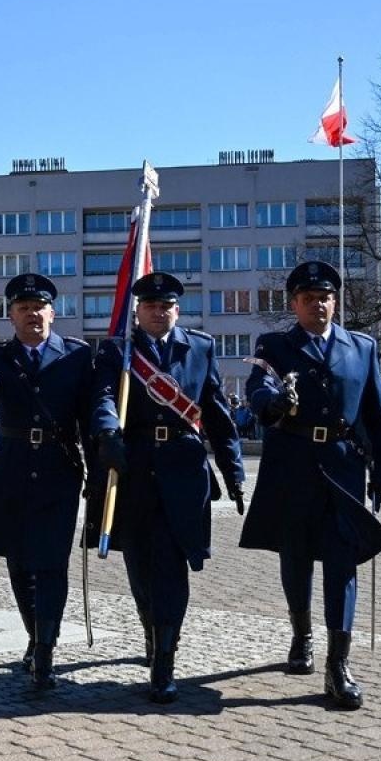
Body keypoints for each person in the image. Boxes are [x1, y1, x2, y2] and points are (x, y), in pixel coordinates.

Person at [242, 261, 381, 711]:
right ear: (294, 304)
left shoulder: (361, 347)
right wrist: (274, 403)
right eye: (308, 298)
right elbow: (259, 390)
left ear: (336, 301)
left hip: (344, 468)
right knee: (295, 558)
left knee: (342, 562)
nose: (318, 305)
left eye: (325, 297)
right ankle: (301, 635)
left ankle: (338, 665)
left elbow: (377, 412)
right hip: (293, 466)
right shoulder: (274, 345)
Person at [92, 272, 245, 704]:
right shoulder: (119, 352)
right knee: (140, 565)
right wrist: (107, 433)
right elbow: (103, 396)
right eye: (151, 306)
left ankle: (165, 660)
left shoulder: (199, 348)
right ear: (137, 311)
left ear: (177, 309)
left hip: (183, 470)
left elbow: (216, 414)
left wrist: (233, 472)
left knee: (173, 569)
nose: (159, 312)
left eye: (167, 306)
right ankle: (150, 624)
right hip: (135, 470)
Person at [0, 272, 94, 690]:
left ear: (52, 312)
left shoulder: (76, 356)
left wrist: (102, 465)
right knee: (19, 563)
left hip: (58, 466)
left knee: (52, 562)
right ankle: (35, 637)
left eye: (39, 308)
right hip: (13, 465)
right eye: (23, 308)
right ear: (11, 315)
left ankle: (47, 651)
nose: (32, 314)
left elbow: (90, 413)